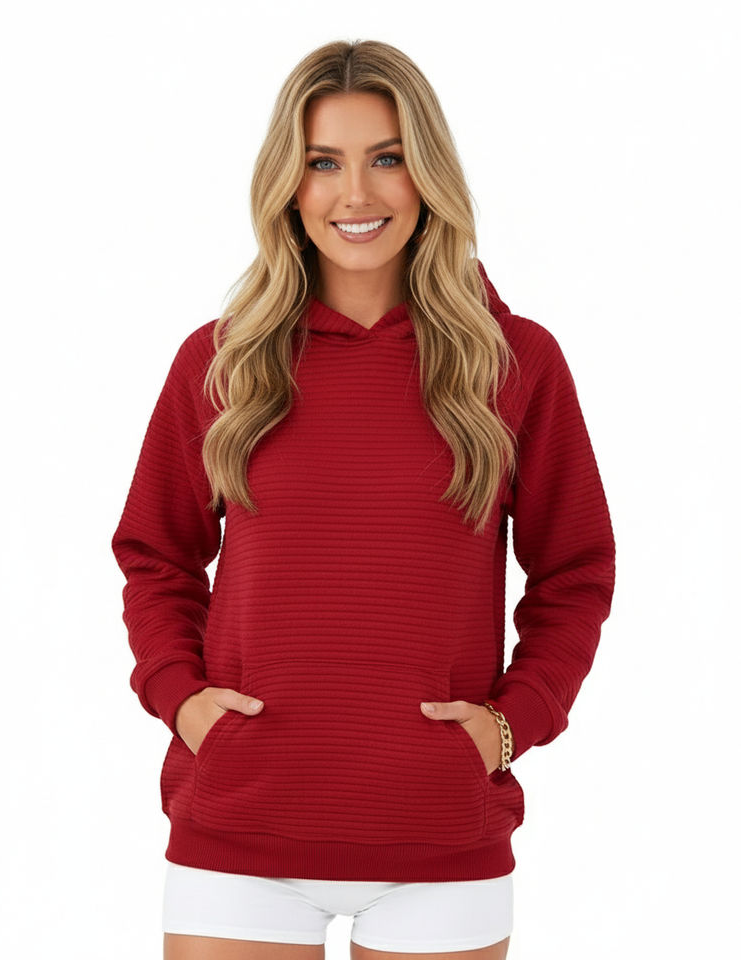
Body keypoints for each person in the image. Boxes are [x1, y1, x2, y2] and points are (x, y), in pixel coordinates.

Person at [111, 38, 616, 960]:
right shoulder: (219, 363)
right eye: (323, 163)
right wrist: (180, 701)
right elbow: (155, 556)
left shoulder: (515, 363)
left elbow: (575, 573)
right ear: (288, 184)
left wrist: (511, 725)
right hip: (238, 835)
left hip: (441, 842)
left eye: (387, 158)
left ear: (427, 176)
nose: (355, 194)